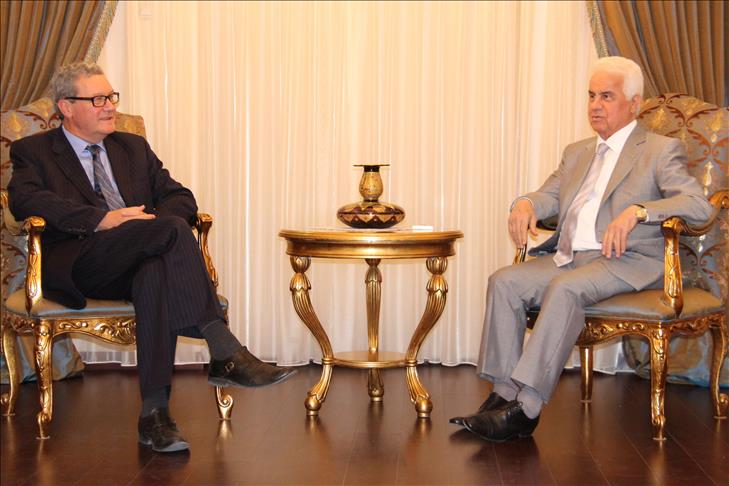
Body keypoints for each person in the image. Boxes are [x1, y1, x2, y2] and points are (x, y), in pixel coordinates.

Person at [8, 62, 296, 453]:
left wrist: (153, 227)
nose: (110, 106)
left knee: (156, 272)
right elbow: (26, 200)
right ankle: (224, 348)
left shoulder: (132, 147)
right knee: (171, 231)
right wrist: (102, 219)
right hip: (82, 261)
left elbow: (180, 196)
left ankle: (154, 416)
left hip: (139, 257)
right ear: (67, 107)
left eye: (111, 97)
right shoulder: (35, 151)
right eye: (98, 99)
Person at [449, 56, 713, 442]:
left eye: (607, 96)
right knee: (504, 281)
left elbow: (699, 206)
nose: (595, 105)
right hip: (570, 257)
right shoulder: (577, 152)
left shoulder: (659, 150)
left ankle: (527, 408)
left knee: (565, 289)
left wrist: (639, 211)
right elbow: (548, 195)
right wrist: (525, 204)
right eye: (591, 96)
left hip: (627, 260)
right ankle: (503, 396)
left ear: (634, 103)